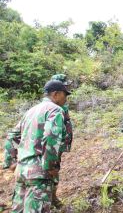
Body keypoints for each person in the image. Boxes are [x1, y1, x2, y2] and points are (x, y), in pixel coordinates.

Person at [3, 80, 70, 212]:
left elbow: (12, 136)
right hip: (39, 174)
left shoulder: (31, 111)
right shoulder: (55, 110)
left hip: (22, 171)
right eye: (65, 95)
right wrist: (50, 167)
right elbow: (51, 137)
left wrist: (11, 162)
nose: (66, 99)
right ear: (56, 94)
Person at [50, 74, 73, 207]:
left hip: (59, 145)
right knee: (52, 170)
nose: (67, 86)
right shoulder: (52, 107)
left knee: (55, 169)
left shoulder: (61, 102)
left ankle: (53, 197)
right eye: (64, 84)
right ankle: (50, 198)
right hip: (52, 146)